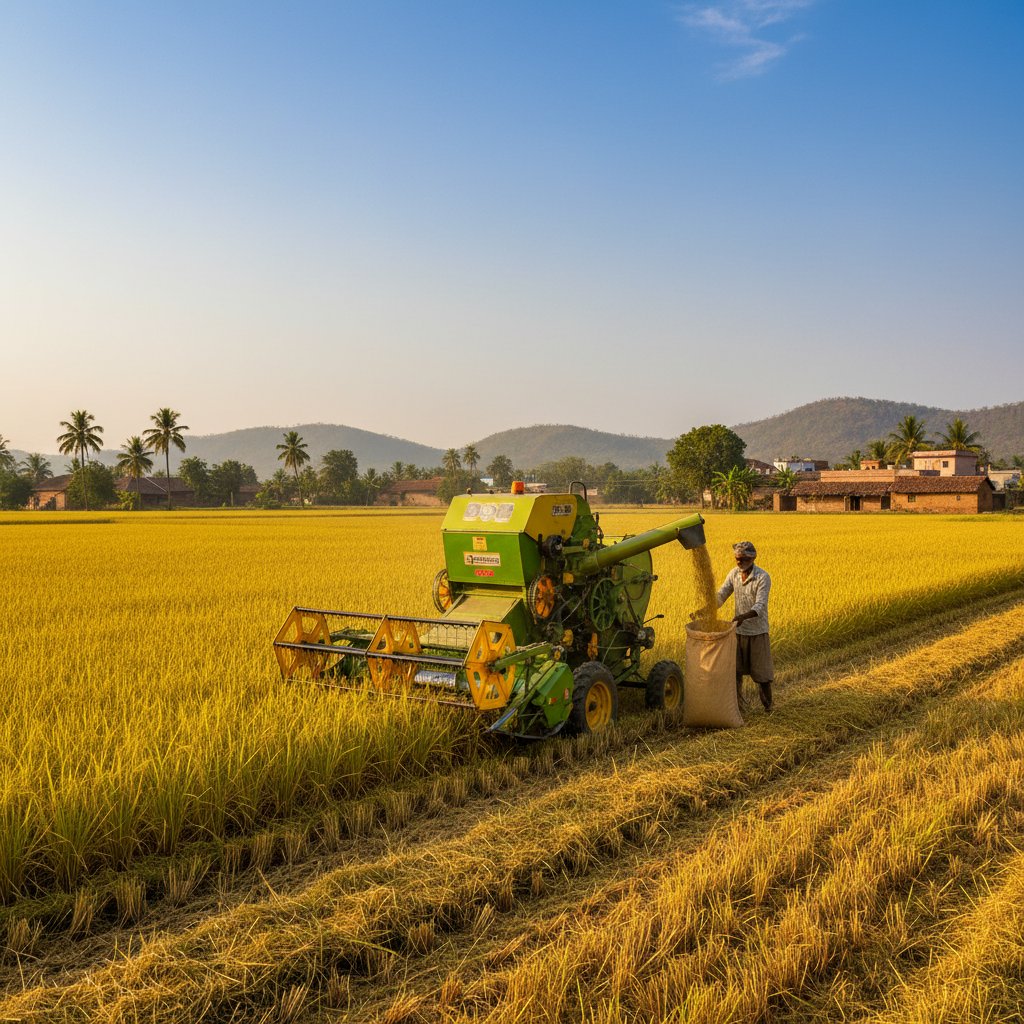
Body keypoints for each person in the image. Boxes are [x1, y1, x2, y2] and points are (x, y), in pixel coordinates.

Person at [716, 540, 774, 712]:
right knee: (735, 673)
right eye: (737, 559)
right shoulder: (734, 574)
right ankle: (737, 709)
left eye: (742, 559)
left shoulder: (762, 577)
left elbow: (760, 605)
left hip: (757, 632)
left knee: (762, 676)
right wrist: (707, 608)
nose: (739, 563)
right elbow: (722, 594)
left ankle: (768, 708)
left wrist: (742, 616)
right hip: (738, 632)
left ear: (751, 558)